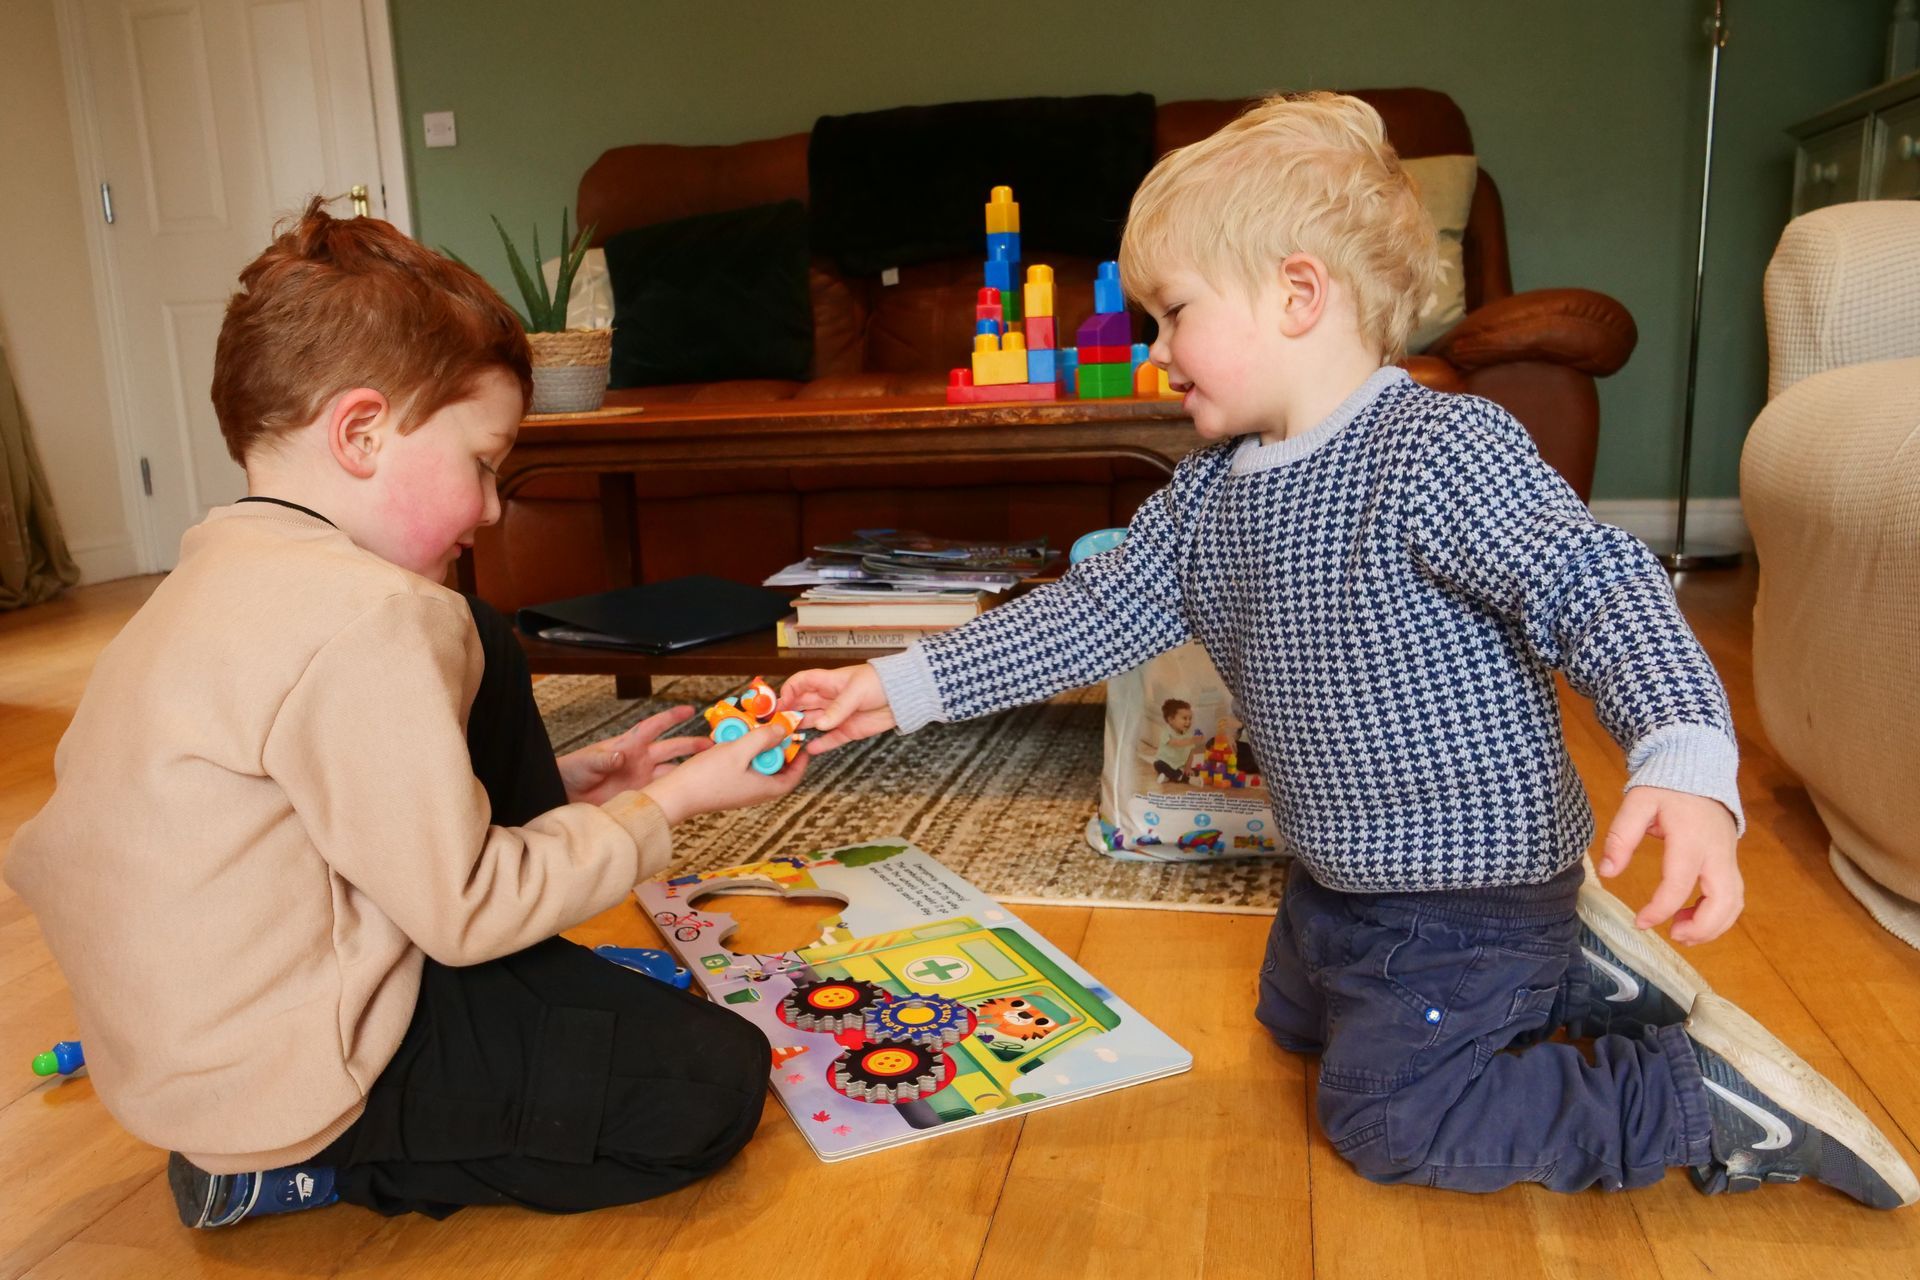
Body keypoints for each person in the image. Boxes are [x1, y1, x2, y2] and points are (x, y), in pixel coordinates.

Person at [779, 93, 1917, 1208]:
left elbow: (1594, 578)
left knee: (1387, 1119)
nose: (1154, 346)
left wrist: (1681, 746)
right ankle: (1570, 979)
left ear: (1297, 293)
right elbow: (1085, 614)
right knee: (1293, 1018)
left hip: (1470, 881)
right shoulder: (1205, 497)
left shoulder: (1435, 447)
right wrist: (896, 685)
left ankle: (1693, 1099)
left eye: (1173, 312)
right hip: (1340, 872)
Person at [6, 200, 801, 1227]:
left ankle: (331, 1107)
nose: (493, 507)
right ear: (363, 431)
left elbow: (313, 816)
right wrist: (676, 801)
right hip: (295, 1082)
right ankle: (309, 1168)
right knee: (711, 1084)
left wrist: (570, 789)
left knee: (479, 634)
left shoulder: (214, 573)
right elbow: (463, 911)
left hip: (191, 1043)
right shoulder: (369, 616)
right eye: (481, 462)